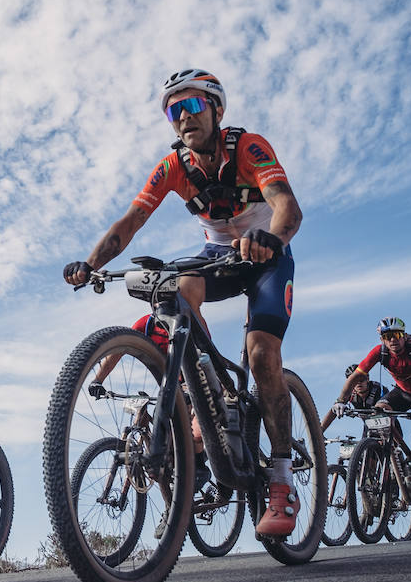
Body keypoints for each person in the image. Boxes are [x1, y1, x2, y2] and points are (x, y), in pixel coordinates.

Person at [63, 67, 303, 537]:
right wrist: (90, 264)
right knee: (177, 287)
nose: (183, 118)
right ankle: (209, 388)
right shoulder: (174, 166)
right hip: (218, 255)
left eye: (192, 105)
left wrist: (271, 238)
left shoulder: (248, 147)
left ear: (216, 108)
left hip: (267, 252)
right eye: (174, 111)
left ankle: (280, 476)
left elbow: (287, 207)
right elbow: (130, 222)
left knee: (261, 354)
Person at [334, 318, 411, 528]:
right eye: (387, 337)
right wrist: (340, 401)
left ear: (403, 336)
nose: (392, 340)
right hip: (403, 393)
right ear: (382, 340)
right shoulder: (379, 352)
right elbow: (354, 377)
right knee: (379, 409)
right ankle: (386, 452)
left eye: (396, 335)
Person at [90, 315, 216, 492]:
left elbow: (205, 356)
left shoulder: (191, 318)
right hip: (173, 387)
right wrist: (98, 380)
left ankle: (199, 466)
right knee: (164, 416)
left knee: (193, 429)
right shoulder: (147, 323)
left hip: (199, 381)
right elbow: (121, 347)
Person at [319, 363, 385, 434]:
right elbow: (334, 410)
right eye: (354, 381)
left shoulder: (378, 389)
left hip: (386, 422)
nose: (359, 383)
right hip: (368, 425)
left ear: (368, 379)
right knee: (363, 443)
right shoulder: (350, 393)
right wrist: (320, 431)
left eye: (361, 379)